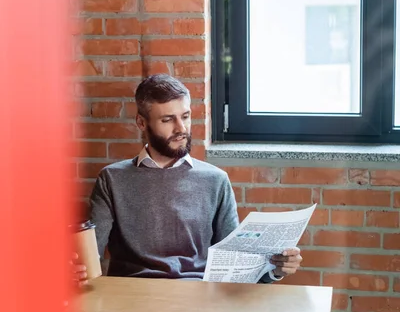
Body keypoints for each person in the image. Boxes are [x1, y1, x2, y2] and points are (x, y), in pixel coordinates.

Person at [75, 74, 302, 284]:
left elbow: (235, 266)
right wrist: (74, 270)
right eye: (167, 120)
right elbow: (89, 257)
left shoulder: (215, 180)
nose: (181, 128)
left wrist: (276, 269)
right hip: (134, 296)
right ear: (142, 123)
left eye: (185, 116)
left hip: (198, 296)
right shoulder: (112, 179)